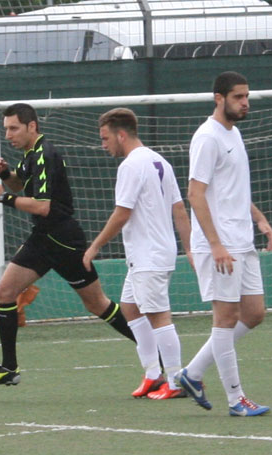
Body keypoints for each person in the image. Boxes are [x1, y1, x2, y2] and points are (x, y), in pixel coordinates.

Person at [0, 102, 137, 386]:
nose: (9, 134)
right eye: (6, 129)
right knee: (5, 291)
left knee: (97, 304)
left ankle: (154, 349)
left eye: (14, 128)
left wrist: (3, 197)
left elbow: (42, 206)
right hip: (43, 238)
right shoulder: (29, 155)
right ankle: (8, 368)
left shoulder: (45, 155)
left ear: (32, 126)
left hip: (64, 241)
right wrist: (6, 176)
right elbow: (21, 186)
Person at [177, 72, 272, 416]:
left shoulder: (234, 133)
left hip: (241, 240)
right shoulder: (207, 138)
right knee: (226, 317)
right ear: (219, 98)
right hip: (220, 246)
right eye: (238, 97)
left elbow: (233, 189)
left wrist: (258, 218)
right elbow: (195, 193)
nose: (245, 103)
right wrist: (216, 244)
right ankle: (236, 400)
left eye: (246, 96)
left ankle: (192, 373)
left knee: (254, 313)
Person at [82, 108, 193, 400]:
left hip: (149, 254)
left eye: (105, 138)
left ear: (121, 135)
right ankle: (153, 375)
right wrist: (188, 248)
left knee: (158, 316)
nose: (103, 145)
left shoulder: (131, 166)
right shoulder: (159, 161)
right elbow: (179, 209)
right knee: (130, 308)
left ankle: (176, 381)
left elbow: (122, 213)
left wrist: (94, 246)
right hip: (149, 254)